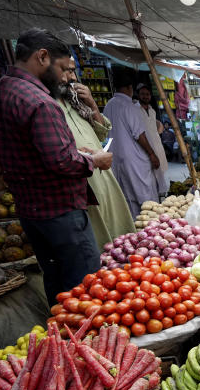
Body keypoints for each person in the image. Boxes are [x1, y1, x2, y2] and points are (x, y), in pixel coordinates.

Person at [0, 28, 111, 305]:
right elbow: (62, 162)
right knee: (84, 284)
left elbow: (29, 149)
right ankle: (87, 340)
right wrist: (94, 160)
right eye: (63, 68)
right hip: (61, 210)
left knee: (55, 278)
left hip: (31, 210)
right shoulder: (41, 102)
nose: (66, 76)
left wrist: (74, 150)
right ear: (42, 57)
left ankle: (60, 333)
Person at [56, 58, 135, 250]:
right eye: (68, 71)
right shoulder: (47, 106)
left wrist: (91, 103)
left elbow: (102, 132)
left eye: (74, 72)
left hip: (103, 175)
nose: (73, 78)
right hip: (82, 176)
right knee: (98, 236)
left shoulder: (75, 102)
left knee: (119, 231)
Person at [103, 69, 161, 216]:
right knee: (146, 197)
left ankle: (134, 226)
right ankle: (151, 225)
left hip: (116, 158)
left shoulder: (109, 105)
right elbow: (139, 135)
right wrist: (152, 154)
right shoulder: (130, 106)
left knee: (127, 195)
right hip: (135, 159)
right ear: (130, 88)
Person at [135, 83, 169, 195]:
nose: (145, 96)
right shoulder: (134, 109)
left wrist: (159, 127)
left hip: (157, 144)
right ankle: (153, 197)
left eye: (148, 94)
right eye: (143, 94)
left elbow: (154, 126)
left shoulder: (152, 110)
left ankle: (160, 195)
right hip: (145, 146)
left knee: (160, 172)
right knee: (149, 175)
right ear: (138, 95)